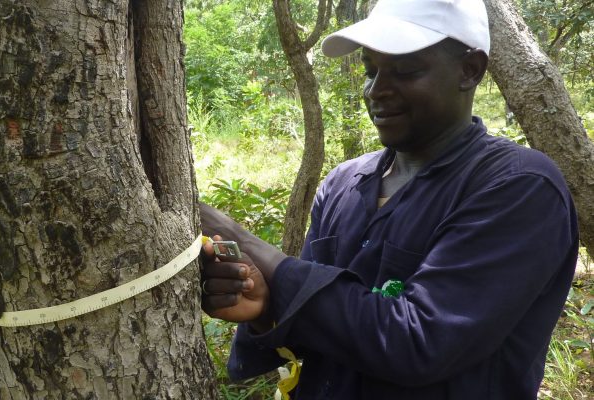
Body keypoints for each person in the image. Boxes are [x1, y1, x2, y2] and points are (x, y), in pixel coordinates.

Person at [199, 0, 579, 398]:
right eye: (370, 71)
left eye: (405, 71)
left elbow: (420, 344)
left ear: (470, 70)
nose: (376, 90)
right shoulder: (344, 183)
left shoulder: (518, 186)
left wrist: (258, 252)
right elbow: (319, 329)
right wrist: (264, 310)